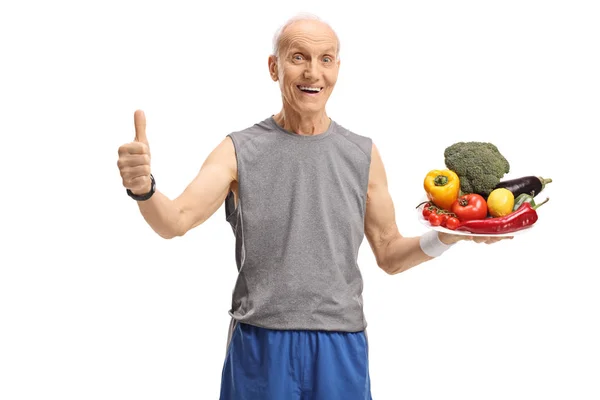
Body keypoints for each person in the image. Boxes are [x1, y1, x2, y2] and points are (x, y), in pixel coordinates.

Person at [117, 13, 508, 400]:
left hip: (341, 345)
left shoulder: (363, 154)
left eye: (325, 59)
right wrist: (144, 190)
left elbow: (389, 254)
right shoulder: (238, 150)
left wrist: (448, 236)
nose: (312, 73)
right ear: (274, 67)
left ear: (337, 68)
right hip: (260, 342)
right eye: (298, 57)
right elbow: (176, 221)